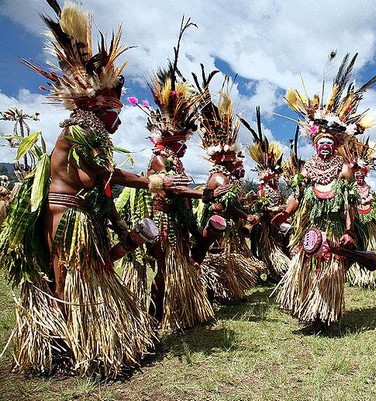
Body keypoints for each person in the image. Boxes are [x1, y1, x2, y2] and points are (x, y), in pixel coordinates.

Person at [0, 1, 187, 377]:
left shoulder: (92, 135)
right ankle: (67, 347)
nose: (118, 124)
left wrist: (122, 230)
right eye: (115, 115)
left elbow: (100, 188)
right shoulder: (79, 132)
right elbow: (104, 176)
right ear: (101, 109)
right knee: (68, 278)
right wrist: (151, 181)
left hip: (82, 213)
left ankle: (93, 344)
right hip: (64, 213)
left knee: (91, 271)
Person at [272, 53, 376, 332]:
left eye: (329, 143)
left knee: (332, 269)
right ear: (314, 145)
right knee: (307, 267)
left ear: (335, 145)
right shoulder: (307, 169)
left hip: (335, 227)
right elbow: (298, 197)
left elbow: (349, 204)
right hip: (311, 228)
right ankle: (311, 313)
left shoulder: (344, 170)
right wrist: (284, 213)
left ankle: (329, 316)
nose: (324, 147)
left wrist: (349, 231)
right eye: (320, 142)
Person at [129, 18, 214, 331]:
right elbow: (173, 190)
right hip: (163, 223)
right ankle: (154, 317)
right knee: (165, 270)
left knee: (180, 267)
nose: (183, 149)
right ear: (171, 140)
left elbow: (180, 187)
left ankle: (178, 314)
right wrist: (200, 193)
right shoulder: (158, 160)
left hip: (177, 222)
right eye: (181, 143)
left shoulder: (175, 162)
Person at [195, 73, 262, 302]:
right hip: (217, 225)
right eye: (237, 158)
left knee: (223, 257)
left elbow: (232, 204)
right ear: (227, 158)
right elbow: (228, 207)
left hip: (224, 226)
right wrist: (247, 215)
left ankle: (223, 292)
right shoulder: (221, 178)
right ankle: (213, 294)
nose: (240, 162)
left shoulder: (226, 177)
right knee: (216, 257)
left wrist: (246, 209)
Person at [242, 107, 291, 280]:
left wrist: (283, 209)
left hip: (276, 226)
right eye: (273, 175)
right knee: (268, 249)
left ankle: (275, 272)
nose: (276, 177)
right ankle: (270, 272)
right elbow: (261, 207)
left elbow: (281, 202)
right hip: (265, 225)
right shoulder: (262, 188)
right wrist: (276, 208)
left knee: (278, 245)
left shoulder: (277, 188)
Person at [340, 137, 376, 289]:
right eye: (357, 173)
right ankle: (355, 274)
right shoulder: (349, 187)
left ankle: (367, 276)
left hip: (368, 222)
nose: (359, 175)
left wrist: (369, 201)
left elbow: (374, 202)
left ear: (365, 173)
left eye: (362, 173)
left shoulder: (369, 188)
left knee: (368, 244)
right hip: (355, 221)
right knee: (356, 245)